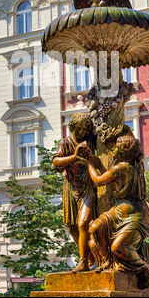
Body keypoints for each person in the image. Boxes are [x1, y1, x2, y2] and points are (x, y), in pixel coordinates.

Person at [85, 134, 149, 288]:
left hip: (134, 215)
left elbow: (98, 181)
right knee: (96, 228)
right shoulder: (138, 165)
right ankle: (107, 261)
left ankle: (142, 267)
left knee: (119, 247)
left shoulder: (121, 168)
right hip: (117, 211)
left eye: (116, 146)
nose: (113, 148)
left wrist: (90, 164)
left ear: (123, 151)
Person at [52, 112, 97, 272]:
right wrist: (74, 156)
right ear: (71, 127)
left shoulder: (91, 142)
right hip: (70, 186)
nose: (81, 131)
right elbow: (56, 163)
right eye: (78, 128)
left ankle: (84, 261)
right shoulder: (65, 143)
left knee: (83, 223)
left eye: (85, 128)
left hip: (88, 186)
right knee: (71, 226)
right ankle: (91, 258)